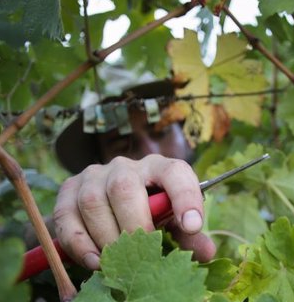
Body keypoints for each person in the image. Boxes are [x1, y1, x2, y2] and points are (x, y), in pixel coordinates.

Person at [52, 79, 216, 270]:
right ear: (99, 162)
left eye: (161, 130)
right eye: (122, 145)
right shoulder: (93, 260)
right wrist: (64, 228)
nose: (151, 152)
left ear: (187, 134)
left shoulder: (240, 194)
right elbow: (22, 238)